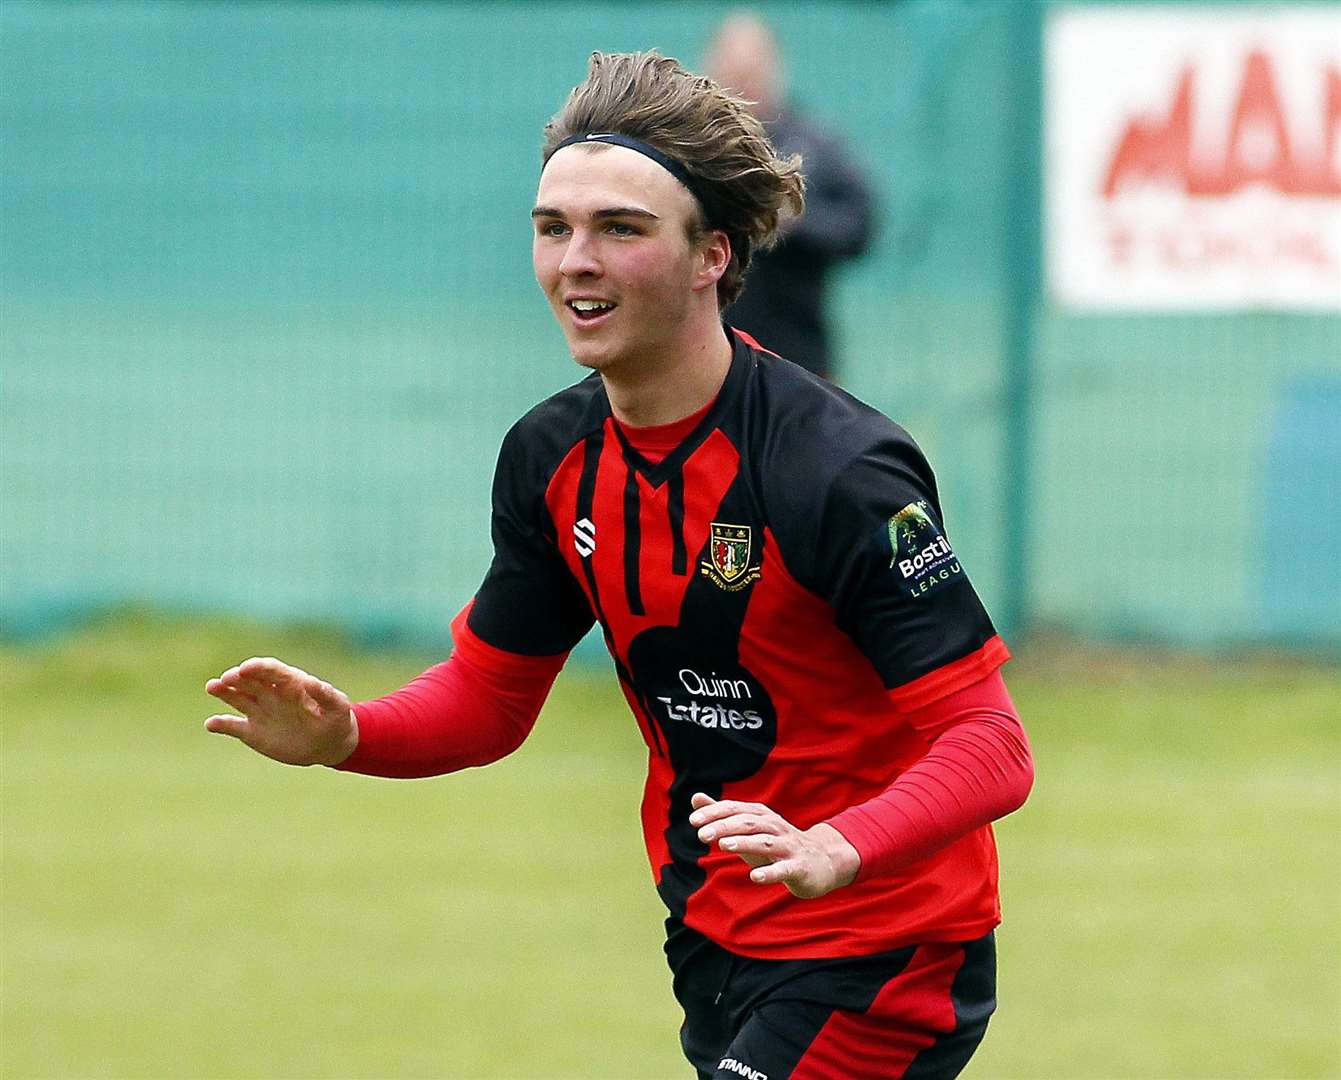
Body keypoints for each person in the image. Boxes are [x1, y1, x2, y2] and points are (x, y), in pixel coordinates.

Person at [204, 50, 1032, 1080]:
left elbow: (992, 745)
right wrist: (351, 734)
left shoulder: (837, 470)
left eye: (620, 230)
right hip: (715, 938)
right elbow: (491, 695)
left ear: (711, 257)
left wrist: (837, 845)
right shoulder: (552, 458)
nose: (575, 261)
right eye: (554, 229)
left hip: (882, 951)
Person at [706, 11, 875, 381]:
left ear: (774, 66)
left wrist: (791, 222)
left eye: (751, 68)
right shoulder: (693, 149)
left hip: (797, 356)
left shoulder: (814, 144)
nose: (742, 80)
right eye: (734, 68)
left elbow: (858, 226)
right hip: (706, 357)